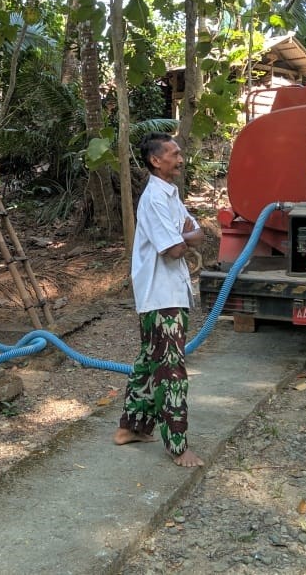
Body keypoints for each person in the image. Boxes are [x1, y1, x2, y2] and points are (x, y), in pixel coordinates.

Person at [113, 133, 205, 467]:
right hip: (160, 295)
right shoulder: (154, 198)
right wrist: (186, 236)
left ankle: (131, 428)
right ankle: (177, 445)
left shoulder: (171, 195)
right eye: (174, 154)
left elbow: (197, 231)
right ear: (156, 160)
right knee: (170, 370)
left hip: (169, 293)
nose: (180, 159)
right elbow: (174, 248)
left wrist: (187, 234)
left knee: (148, 363)